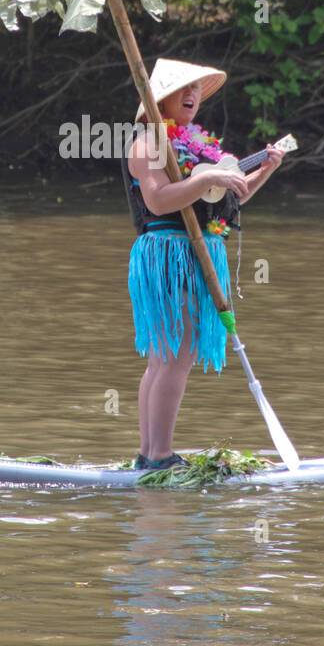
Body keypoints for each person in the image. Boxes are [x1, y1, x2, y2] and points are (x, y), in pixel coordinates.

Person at [122, 58, 285, 471]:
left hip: (196, 251)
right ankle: (157, 455)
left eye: (196, 88)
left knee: (167, 356)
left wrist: (264, 169)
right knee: (173, 354)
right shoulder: (147, 144)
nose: (192, 95)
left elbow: (232, 198)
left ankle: (149, 453)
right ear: (159, 99)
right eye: (183, 89)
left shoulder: (197, 146)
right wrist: (204, 178)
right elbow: (158, 199)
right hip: (169, 254)